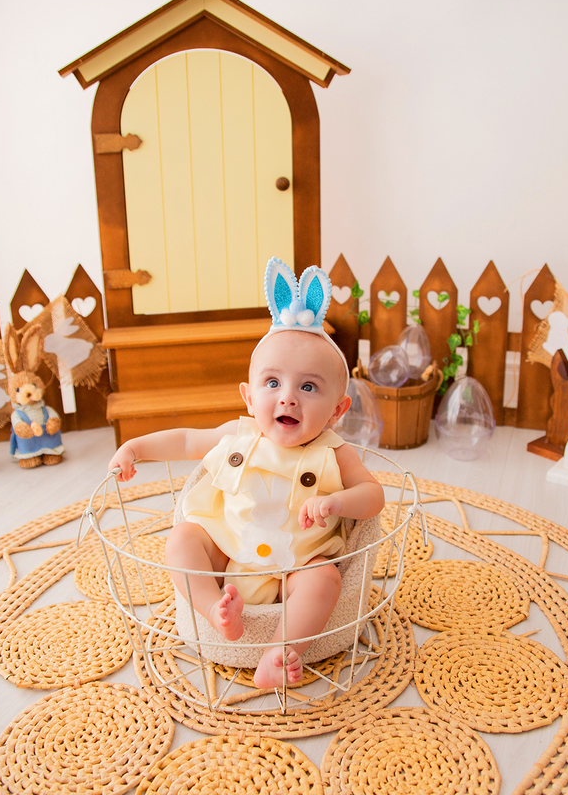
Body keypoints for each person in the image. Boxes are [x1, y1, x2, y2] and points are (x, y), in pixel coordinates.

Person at [108, 259, 385, 689]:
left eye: (308, 387)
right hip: (229, 549)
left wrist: (337, 502)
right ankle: (213, 608)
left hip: (298, 561)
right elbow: (184, 441)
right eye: (272, 383)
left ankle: (279, 651)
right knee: (181, 539)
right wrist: (136, 448)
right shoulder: (239, 433)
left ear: (337, 410)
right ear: (249, 397)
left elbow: (374, 496)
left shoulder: (334, 450)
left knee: (325, 580)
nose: (288, 398)